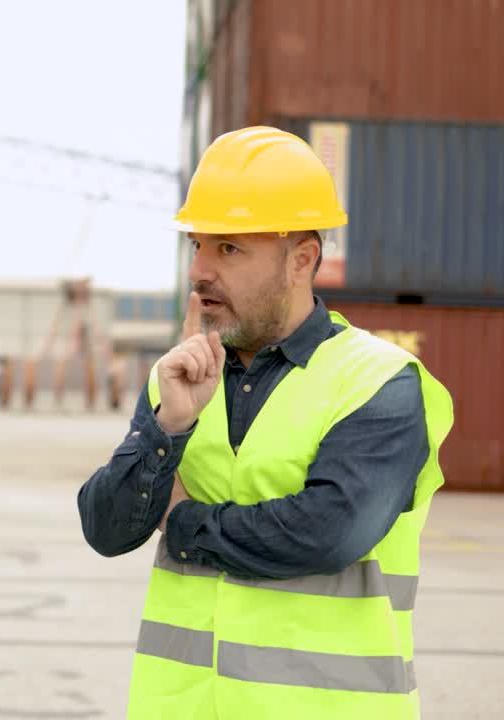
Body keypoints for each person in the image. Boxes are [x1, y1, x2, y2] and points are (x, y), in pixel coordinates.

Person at [76, 126, 454, 719]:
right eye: (198, 245)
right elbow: (105, 528)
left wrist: (182, 522)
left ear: (301, 259)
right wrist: (167, 428)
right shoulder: (176, 380)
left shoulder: (377, 381)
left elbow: (328, 533)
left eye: (229, 249)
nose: (200, 271)